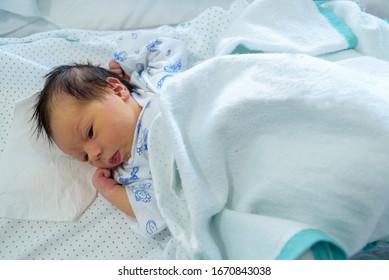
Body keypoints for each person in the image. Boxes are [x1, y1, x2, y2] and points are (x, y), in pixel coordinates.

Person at [32, 37, 187, 237]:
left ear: (116, 89)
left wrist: (127, 64)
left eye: (90, 132)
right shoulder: (131, 171)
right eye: (85, 157)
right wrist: (111, 192)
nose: (94, 155)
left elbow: (167, 47)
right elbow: (158, 209)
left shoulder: (151, 84)